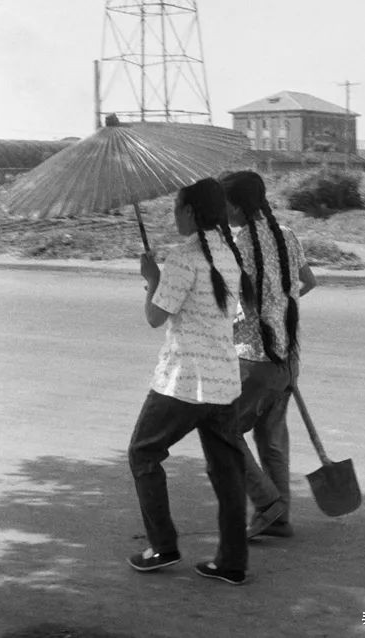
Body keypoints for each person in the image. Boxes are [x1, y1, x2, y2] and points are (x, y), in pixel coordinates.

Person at [128, 177, 254, 585]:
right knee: (227, 472)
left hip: (183, 381)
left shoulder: (184, 257)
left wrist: (152, 278)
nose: (173, 214)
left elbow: (154, 317)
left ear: (191, 212)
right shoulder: (230, 252)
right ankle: (232, 562)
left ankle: (162, 546)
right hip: (223, 380)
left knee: (143, 453)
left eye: (177, 207)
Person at [220, 170, 316, 540]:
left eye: (226, 205)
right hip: (287, 357)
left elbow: (225, 302)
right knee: (271, 439)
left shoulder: (235, 244)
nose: (223, 212)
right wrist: (277, 307)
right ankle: (280, 518)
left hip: (252, 360)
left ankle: (265, 502)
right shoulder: (287, 236)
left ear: (238, 206)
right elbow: (308, 283)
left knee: (221, 430)